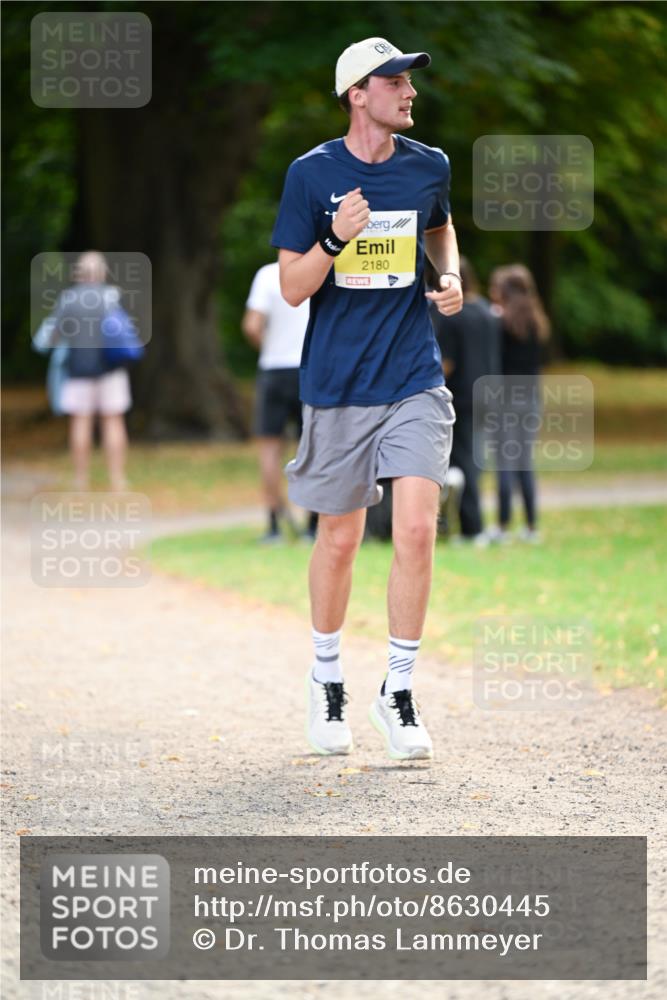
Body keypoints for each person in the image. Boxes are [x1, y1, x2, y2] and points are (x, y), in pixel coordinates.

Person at [271, 37, 462, 760]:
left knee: (415, 530)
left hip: (413, 376)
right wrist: (332, 238)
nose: (409, 91)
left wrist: (449, 276)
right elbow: (292, 288)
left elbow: (440, 229)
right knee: (341, 538)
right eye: (394, 81)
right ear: (357, 94)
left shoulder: (428, 165)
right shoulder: (311, 174)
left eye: (410, 80)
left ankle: (399, 690)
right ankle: (326, 678)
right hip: (338, 383)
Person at [38, 251, 133, 492]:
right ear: (102, 273)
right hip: (111, 370)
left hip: (78, 371)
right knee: (113, 422)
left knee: (81, 422)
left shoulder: (68, 300)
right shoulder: (112, 297)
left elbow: (50, 338)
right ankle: (117, 480)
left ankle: (80, 480)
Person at [242, 261, 317, 543]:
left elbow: (252, 325)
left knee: (269, 450)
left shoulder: (267, 275)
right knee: (312, 448)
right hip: (310, 369)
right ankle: (313, 523)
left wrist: (270, 346)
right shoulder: (321, 270)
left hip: (274, 369)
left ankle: (274, 524)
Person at [428, 257, 501, 543]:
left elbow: (445, 363)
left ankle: (472, 527)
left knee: (461, 461)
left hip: (459, 397)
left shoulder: (451, 316)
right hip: (487, 393)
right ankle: (469, 524)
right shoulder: (486, 310)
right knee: (475, 460)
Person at [489, 264, 550, 543]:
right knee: (525, 460)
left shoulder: (499, 322)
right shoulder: (537, 321)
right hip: (531, 397)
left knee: (504, 460)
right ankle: (531, 526)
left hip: (505, 398)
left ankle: (502, 525)